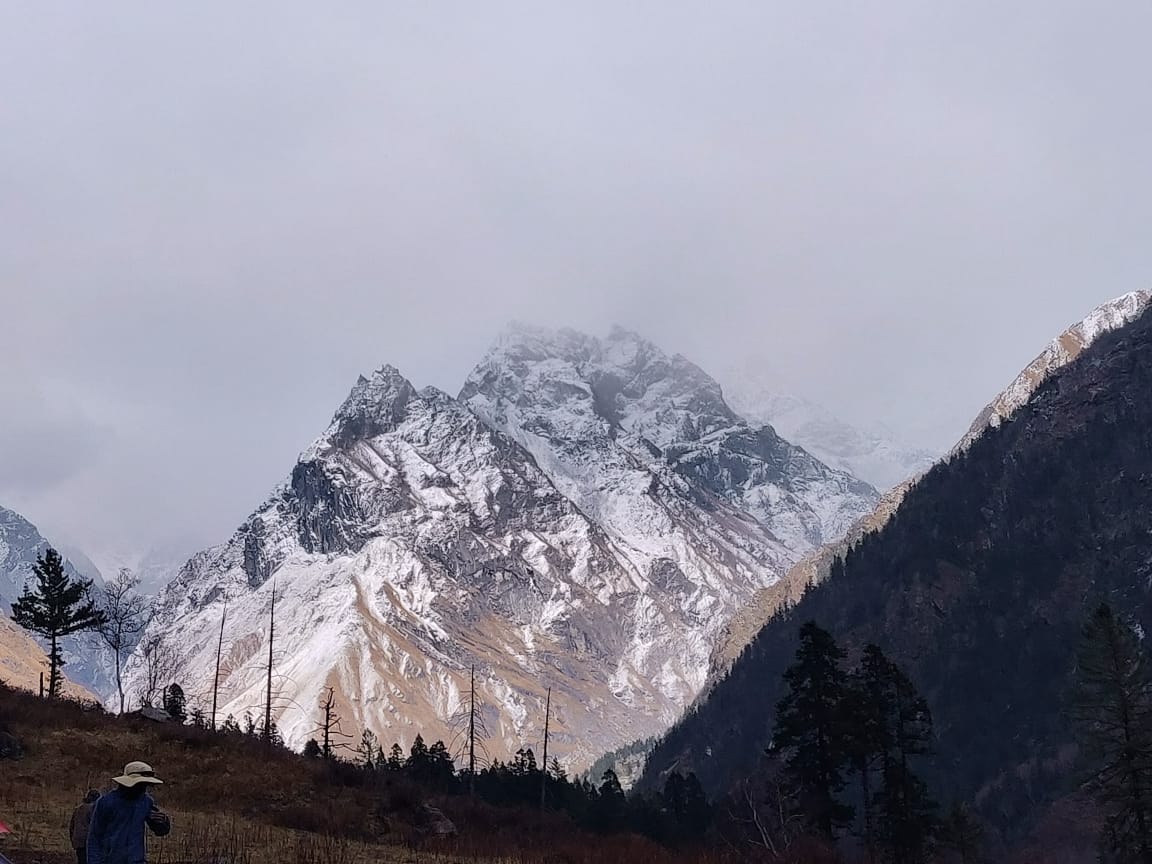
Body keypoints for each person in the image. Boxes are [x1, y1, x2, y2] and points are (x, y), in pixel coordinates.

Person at [86, 762, 171, 864]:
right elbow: (94, 837)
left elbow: (160, 830)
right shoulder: (106, 802)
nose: (143, 788)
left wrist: (163, 822)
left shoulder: (146, 801)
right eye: (141, 784)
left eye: (145, 784)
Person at [68, 790, 101, 864]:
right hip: (87, 841)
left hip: (78, 841)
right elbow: (95, 826)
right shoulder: (92, 809)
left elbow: (71, 827)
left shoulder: (77, 809)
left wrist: (73, 840)